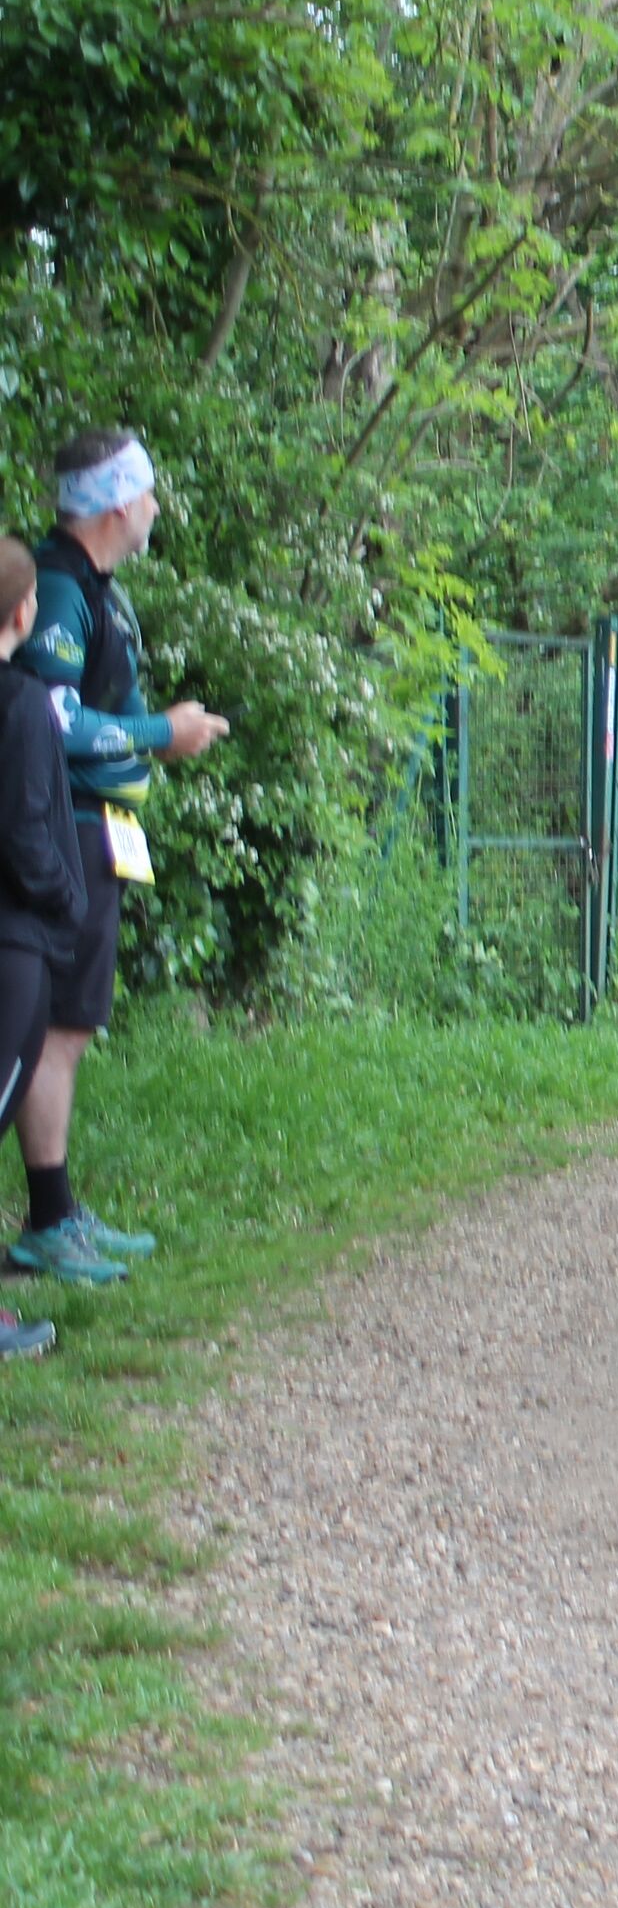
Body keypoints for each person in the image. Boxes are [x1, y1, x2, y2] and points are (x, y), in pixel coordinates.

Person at [9, 431, 228, 1285]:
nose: (157, 508)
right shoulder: (61, 591)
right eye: (148, 492)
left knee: (69, 1026)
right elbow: (49, 716)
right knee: (52, 1028)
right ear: (116, 505)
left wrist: (155, 736)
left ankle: (58, 1212)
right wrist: (157, 731)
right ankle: (48, 1223)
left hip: (97, 829)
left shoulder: (89, 587)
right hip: (68, 832)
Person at [0, 540, 81, 1348]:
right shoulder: (22, 703)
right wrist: (65, 895)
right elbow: (25, 830)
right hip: (13, 939)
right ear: (25, 613)